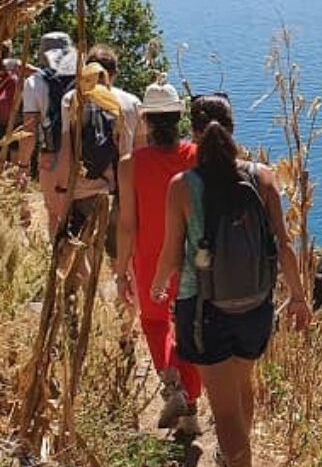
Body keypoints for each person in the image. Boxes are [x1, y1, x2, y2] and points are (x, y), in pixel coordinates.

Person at [151, 93, 311, 467]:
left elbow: (171, 254)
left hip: (205, 311)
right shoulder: (264, 177)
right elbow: (285, 245)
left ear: (194, 134)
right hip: (256, 307)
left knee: (223, 409)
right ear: (233, 129)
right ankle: (235, 461)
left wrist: (156, 288)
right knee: (243, 387)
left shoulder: (184, 186)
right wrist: (297, 297)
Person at [116, 80, 202, 434]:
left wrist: (120, 271)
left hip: (151, 258)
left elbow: (126, 224)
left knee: (154, 324)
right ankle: (192, 414)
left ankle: (173, 385)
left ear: (147, 120)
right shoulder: (197, 156)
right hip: (192, 258)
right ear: (179, 118)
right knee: (189, 333)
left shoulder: (129, 164)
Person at [56, 44, 142, 245]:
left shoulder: (73, 99)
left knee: (76, 247)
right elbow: (139, 152)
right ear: (115, 73)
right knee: (119, 250)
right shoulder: (131, 102)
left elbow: (66, 149)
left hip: (82, 188)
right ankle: (120, 276)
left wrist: (61, 187)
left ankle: (85, 277)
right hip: (120, 190)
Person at [17, 31, 76, 236]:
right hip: (85, 157)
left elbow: (29, 130)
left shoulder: (34, 83)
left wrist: (23, 165)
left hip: (53, 156)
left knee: (55, 215)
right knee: (82, 218)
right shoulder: (86, 79)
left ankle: (58, 263)